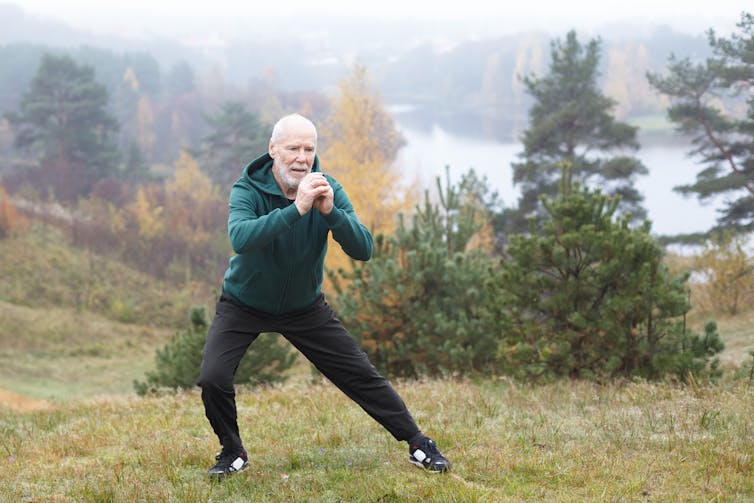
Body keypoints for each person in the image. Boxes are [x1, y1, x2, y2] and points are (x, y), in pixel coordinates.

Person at [197, 113, 451, 479]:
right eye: (293, 148)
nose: (302, 157)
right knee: (213, 377)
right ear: (273, 150)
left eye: (309, 149)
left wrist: (330, 212)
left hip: (304, 308)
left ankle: (417, 443)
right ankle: (232, 450)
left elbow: (364, 249)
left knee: (360, 374)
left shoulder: (327, 188)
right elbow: (241, 239)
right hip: (244, 304)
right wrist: (296, 209)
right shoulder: (247, 189)